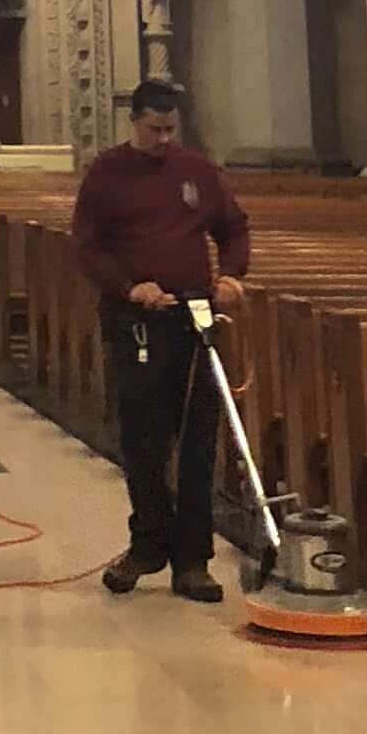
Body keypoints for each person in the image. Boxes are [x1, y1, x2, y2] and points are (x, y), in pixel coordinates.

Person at [68, 76, 251, 599]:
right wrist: (129, 287)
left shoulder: (197, 171)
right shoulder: (107, 173)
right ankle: (148, 543)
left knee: (198, 442)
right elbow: (88, 246)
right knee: (144, 440)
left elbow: (233, 228)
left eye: (172, 128)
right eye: (155, 129)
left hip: (195, 318)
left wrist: (233, 276)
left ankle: (192, 560)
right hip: (137, 321)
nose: (165, 138)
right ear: (135, 122)